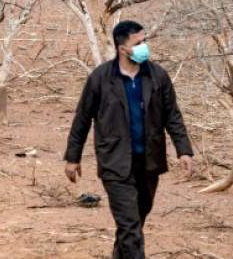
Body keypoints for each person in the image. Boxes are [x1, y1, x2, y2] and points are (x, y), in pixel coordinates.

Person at [64, 20, 195, 259]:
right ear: (122, 49)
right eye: (139, 42)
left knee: (135, 220)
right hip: (115, 162)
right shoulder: (101, 78)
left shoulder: (158, 76)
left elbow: (172, 116)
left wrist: (183, 150)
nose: (145, 46)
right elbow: (82, 119)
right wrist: (73, 157)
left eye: (145, 40)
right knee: (130, 228)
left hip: (148, 162)